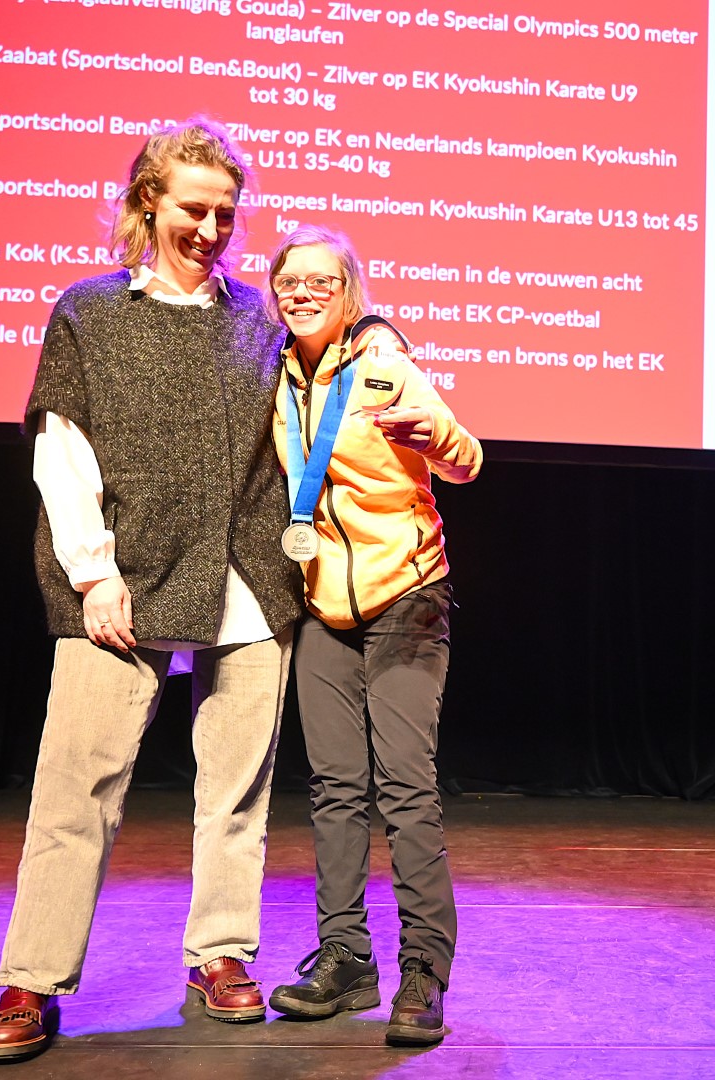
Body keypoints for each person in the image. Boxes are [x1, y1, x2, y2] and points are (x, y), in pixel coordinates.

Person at [0, 117, 303, 1064]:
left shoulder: (259, 320)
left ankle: (221, 955)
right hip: (120, 580)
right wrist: (93, 574)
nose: (210, 230)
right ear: (149, 201)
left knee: (237, 790)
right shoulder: (90, 311)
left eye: (226, 214)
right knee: (76, 787)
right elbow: (60, 453)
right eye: (193, 209)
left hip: (248, 578)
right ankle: (32, 979)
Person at [262, 226, 482, 1046]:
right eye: (290, 282)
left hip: (407, 597)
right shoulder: (274, 376)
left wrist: (437, 439)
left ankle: (423, 970)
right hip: (323, 605)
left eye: (322, 281)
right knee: (335, 789)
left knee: (405, 789)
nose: (304, 293)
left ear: (350, 291)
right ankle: (346, 961)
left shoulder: (384, 366)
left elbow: (468, 459)